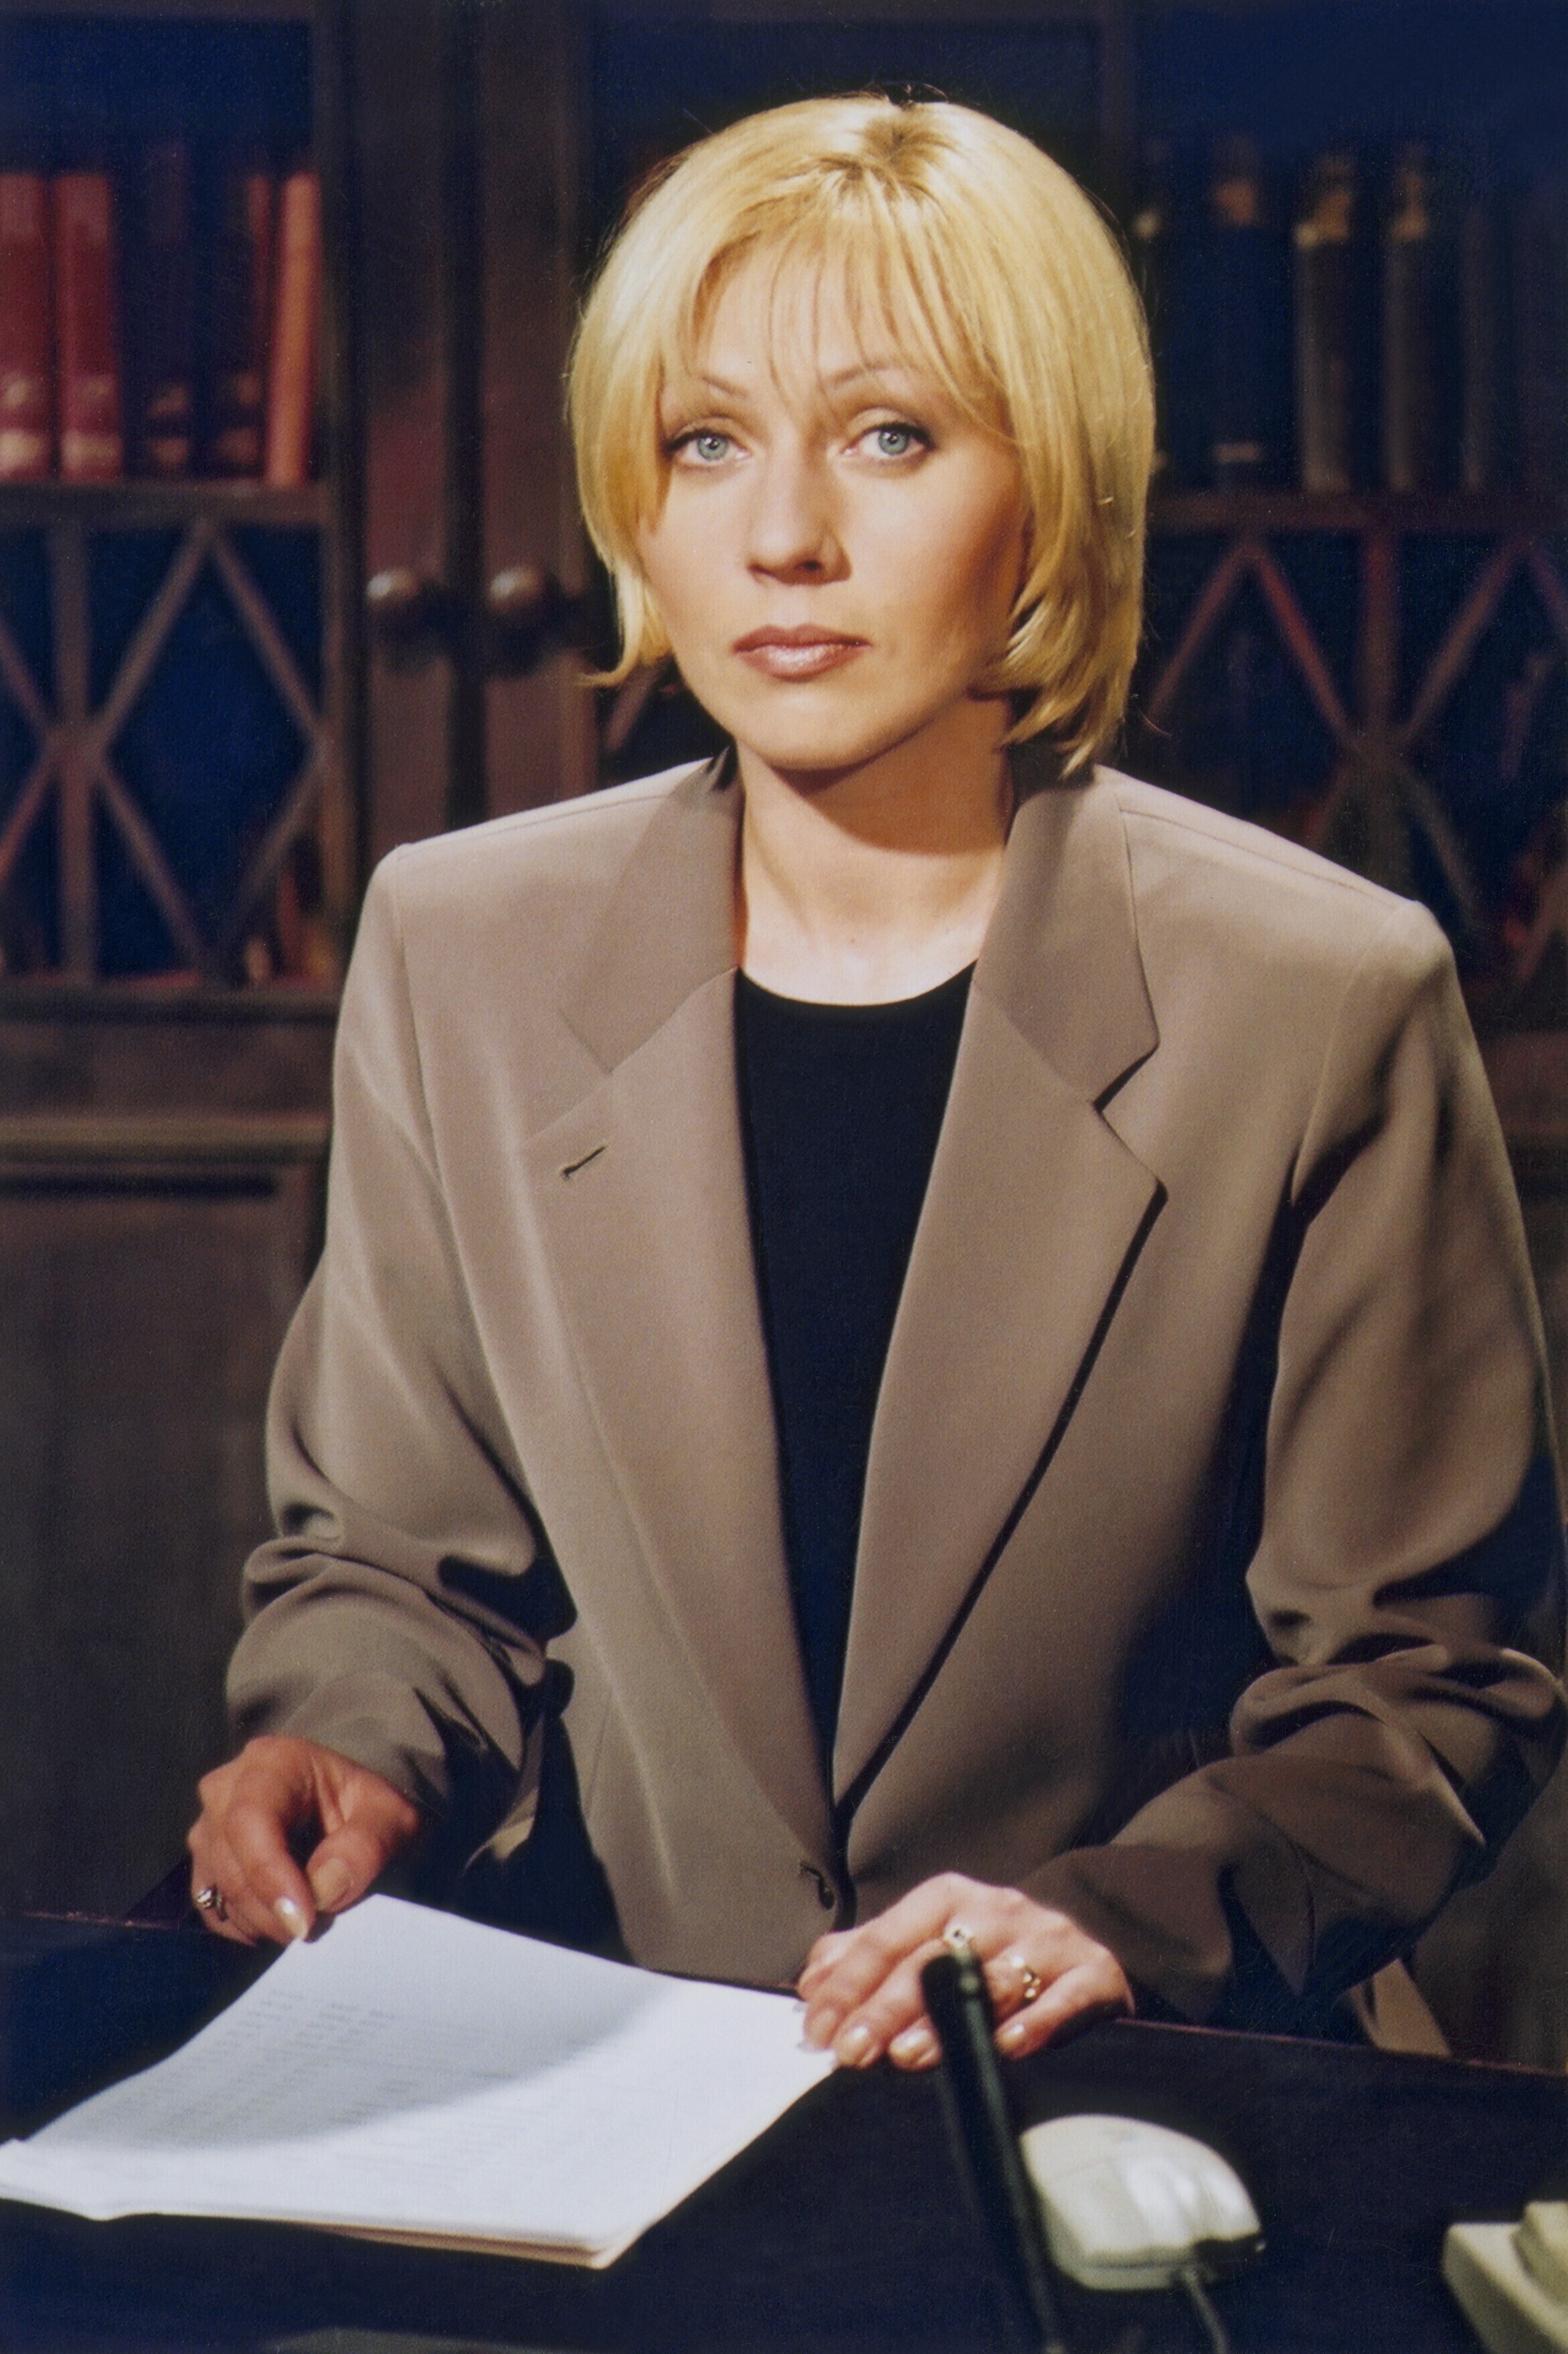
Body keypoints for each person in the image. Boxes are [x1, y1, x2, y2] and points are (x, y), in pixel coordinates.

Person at [187, 95, 1564, 2070]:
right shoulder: (461, 947)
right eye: (707, 441)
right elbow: (396, 1562)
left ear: (1052, 495)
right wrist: (345, 1741)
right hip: (610, 2072)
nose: (784, 536)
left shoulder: (1321, 994)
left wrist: (1124, 1915)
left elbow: (1427, 1682)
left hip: (1146, 2082)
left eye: (891, 436)